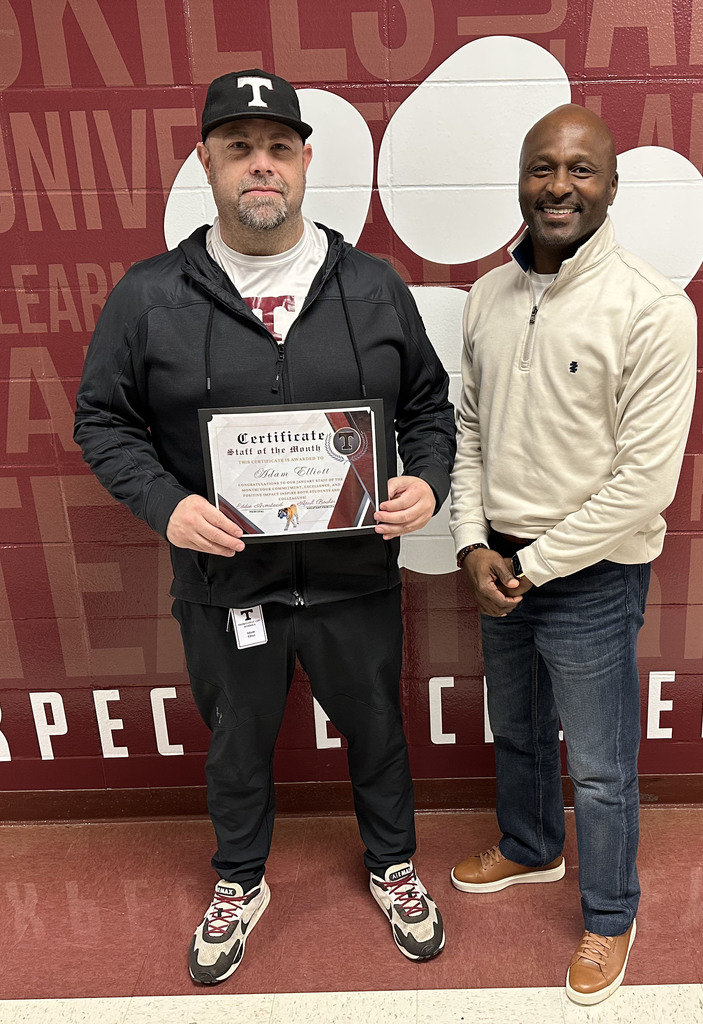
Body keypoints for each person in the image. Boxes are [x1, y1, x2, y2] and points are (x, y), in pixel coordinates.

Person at [74, 68, 455, 984]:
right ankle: (242, 880)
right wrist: (168, 507)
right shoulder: (150, 295)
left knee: (376, 730)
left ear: (305, 162)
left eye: (278, 148)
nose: (261, 167)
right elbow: (102, 420)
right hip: (224, 583)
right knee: (236, 740)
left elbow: (431, 408)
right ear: (205, 159)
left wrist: (427, 486)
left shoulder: (370, 285)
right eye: (239, 148)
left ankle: (393, 866)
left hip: (353, 577)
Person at [449, 104, 696, 1005]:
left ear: (613, 187)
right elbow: (469, 431)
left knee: (598, 764)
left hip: (588, 574)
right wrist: (473, 543)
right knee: (515, 730)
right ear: (520, 181)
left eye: (581, 170)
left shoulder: (652, 308)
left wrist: (535, 563)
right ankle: (528, 848)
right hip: (499, 563)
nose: (559, 186)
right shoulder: (486, 297)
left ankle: (610, 914)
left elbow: (645, 484)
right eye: (542, 168)